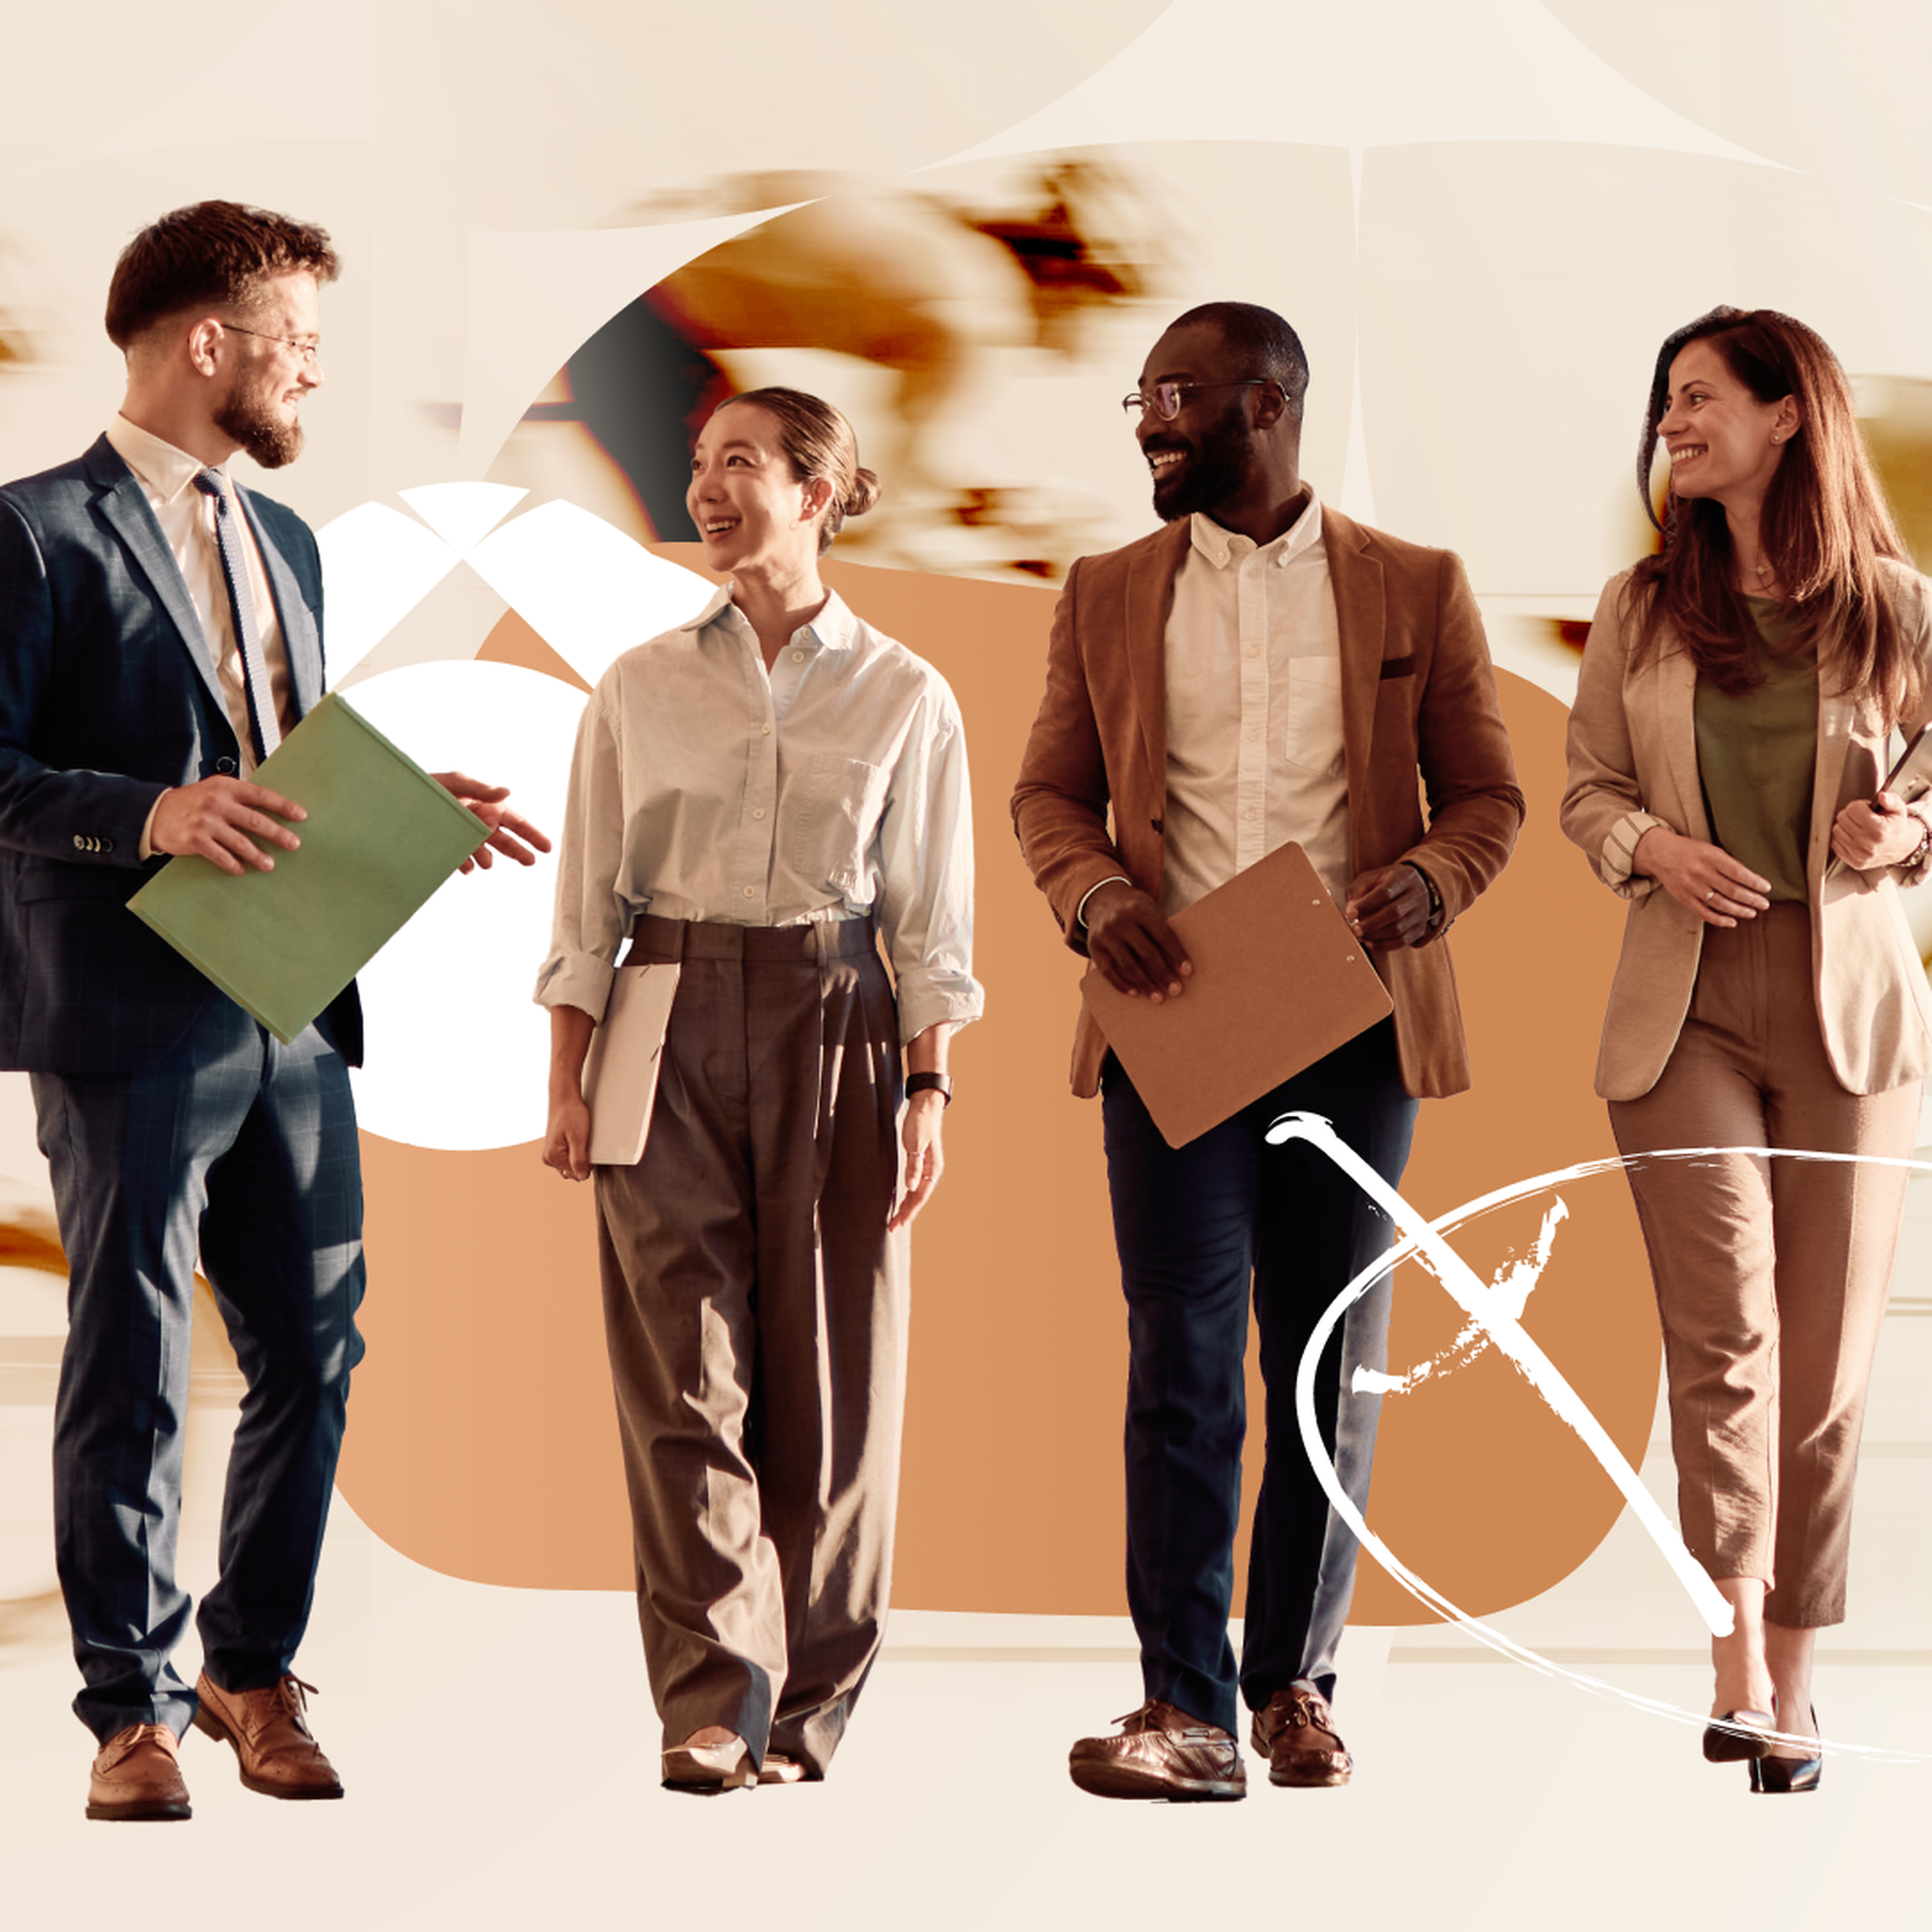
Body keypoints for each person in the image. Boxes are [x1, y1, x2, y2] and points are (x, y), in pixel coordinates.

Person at [0, 200, 547, 1822]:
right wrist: (146, 815)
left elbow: (283, 750)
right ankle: (133, 1711)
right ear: (209, 345)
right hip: (130, 1012)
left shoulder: (291, 542)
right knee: (137, 1355)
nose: (315, 376)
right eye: (300, 347)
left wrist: (391, 806)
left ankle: (252, 1667)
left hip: (295, 1002)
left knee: (317, 1347)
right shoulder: (30, 535)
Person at [1011, 301, 1523, 1800]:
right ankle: (1183, 1709)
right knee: (1181, 1359)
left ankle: (1293, 1684)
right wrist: (1097, 901)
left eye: (1182, 395)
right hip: (1172, 1016)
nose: (1153, 422)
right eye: (1144, 398)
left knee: (1325, 1358)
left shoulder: (1415, 586)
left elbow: (1484, 798)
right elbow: (1050, 793)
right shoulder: (1105, 590)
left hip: (1351, 1019)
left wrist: (1426, 885)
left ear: (1273, 403)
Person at [536, 386, 982, 1792]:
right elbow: (584, 908)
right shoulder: (636, 684)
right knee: (684, 1377)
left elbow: (931, 925)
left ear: (819, 489)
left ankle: (810, 1711)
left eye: (741, 463)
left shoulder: (907, 693)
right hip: (660, 1020)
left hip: (842, 1020)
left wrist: (930, 1092)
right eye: (699, 464)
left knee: (836, 1382)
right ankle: (713, 1701)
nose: (709, 486)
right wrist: (567, 1079)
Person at [1561, 306, 1932, 1795]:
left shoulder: (1900, 613)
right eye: (1665, 399)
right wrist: (1649, 842)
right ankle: (1728, 1666)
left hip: (1847, 1015)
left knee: (1828, 1371)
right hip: (1684, 1010)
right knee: (1725, 1341)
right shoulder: (1640, 607)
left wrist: (1901, 835)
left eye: (1702, 395)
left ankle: (1795, 1683)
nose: (1674, 418)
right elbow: (1586, 787)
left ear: (1790, 417)